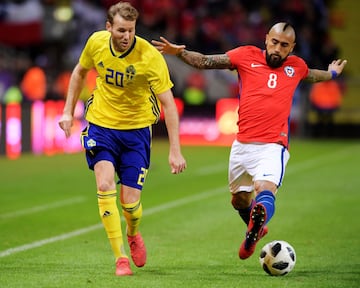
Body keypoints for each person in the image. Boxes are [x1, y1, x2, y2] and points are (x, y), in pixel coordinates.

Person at [152, 22, 347, 260]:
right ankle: (257, 228)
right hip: (242, 145)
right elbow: (204, 61)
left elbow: (314, 76)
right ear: (266, 39)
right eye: (274, 42)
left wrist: (333, 73)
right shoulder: (245, 56)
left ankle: (258, 220)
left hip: (273, 146)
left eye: (284, 45)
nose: (277, 48)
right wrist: (179, 52)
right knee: (239, 199)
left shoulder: (296, 66)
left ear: (292, 47)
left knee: (264, 190)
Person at [58, 1, 187, 276]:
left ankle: (133, 232)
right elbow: (80, 72)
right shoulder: (96, 43)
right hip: (101, 125)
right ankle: (120, 259)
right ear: (108, 28)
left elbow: (169, 104)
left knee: (130, 205)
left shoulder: (150, 57)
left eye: (130, 30)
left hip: (136, 131)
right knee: (104, 185)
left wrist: (175, 150)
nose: (126, 35)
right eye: (120, 30)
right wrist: (68, 111)